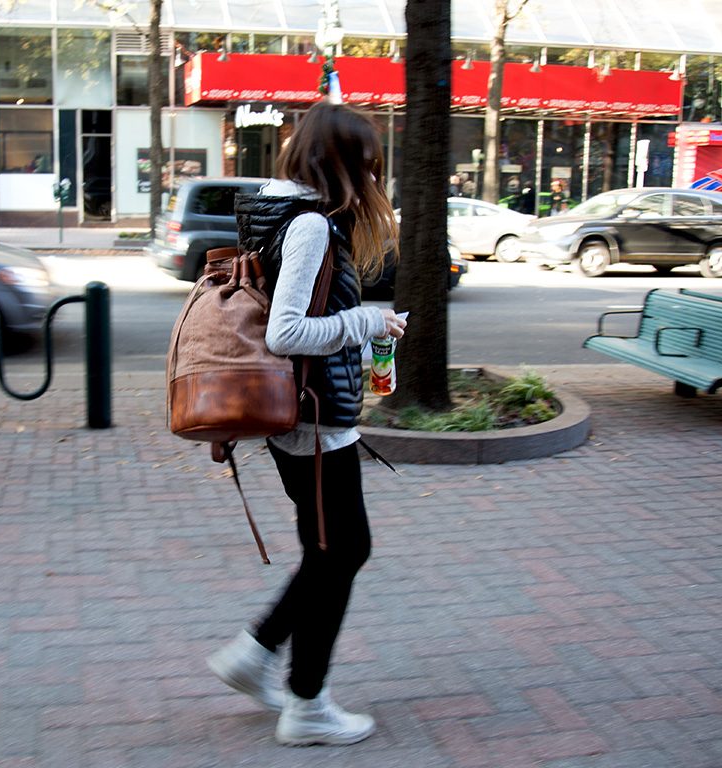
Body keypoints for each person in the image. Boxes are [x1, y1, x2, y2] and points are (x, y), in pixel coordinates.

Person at [206, 101, 406, 747]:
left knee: (334, 551)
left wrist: (361, 322)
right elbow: (288, 330)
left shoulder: (275, 208)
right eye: (370, 163)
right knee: (341, 552)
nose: (375, 176)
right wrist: (368, 322)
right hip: (315, 419)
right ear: (344, 163)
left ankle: (257, 654)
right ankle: (306, 702)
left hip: (307, 416)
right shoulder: (310, 224)